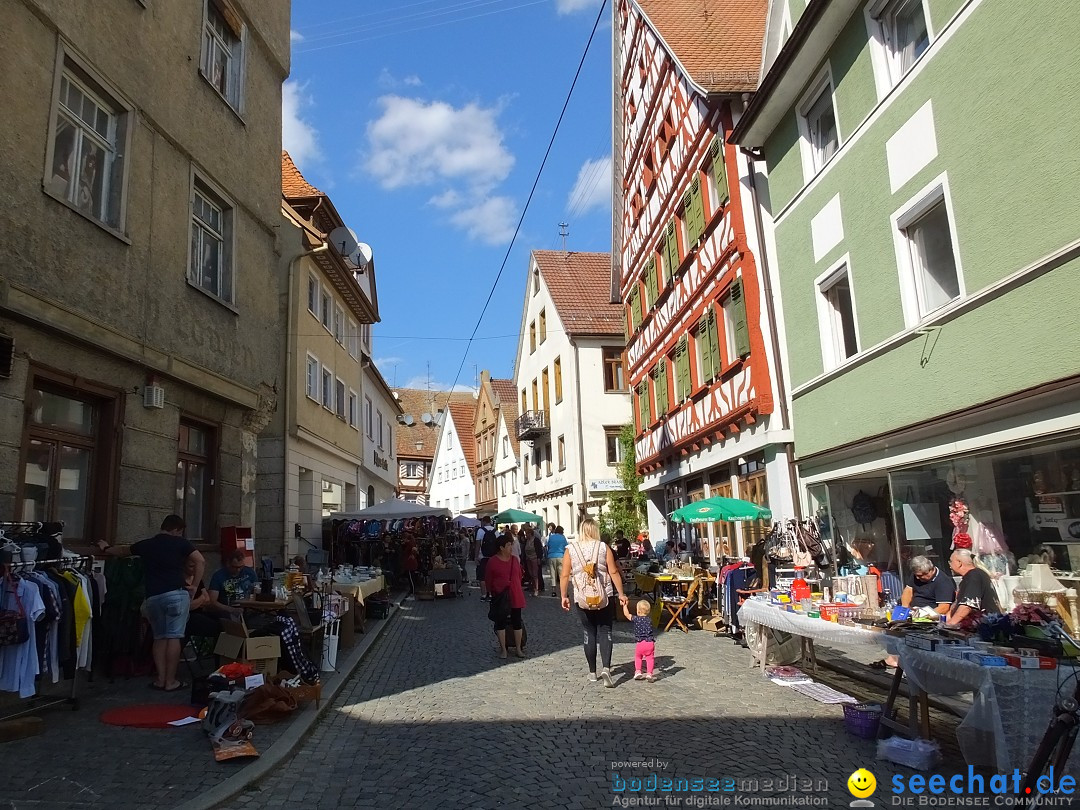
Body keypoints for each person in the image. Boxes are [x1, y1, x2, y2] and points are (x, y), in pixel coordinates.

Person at [96, 514, 204, 692]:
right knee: (174, 636)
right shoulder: (181, 543)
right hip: (176, 594)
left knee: (160, 637)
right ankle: (171, 681)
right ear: (176, 529)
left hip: (153, 598)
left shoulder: (146, 544)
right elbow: (200, 560)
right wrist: (194, 586)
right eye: (180, 532)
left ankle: (160, 679)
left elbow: (123, 551)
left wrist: (106, 547)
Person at [561, 518, 630, 687]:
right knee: (605, 630)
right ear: (595, 530)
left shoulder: (571, 549)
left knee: (588, 632)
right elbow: (613, 571)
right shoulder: (603, 547)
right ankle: (606, 667)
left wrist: (564, 596)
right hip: (604, 595)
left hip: (582, 597)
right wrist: (621, 593)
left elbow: (564, 574)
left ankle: (592, 672)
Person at [877, 556, 955, 669]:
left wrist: (922, 614)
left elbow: (944, 607)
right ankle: (894, 658)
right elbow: (908, 590)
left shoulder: (943, 582)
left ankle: (903, 659)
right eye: (917, 576)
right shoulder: (916, 576)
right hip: (914, 611)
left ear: (931, 569)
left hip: (931, 616)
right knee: (891, 624)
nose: (919, 578)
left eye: (922, 575)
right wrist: (905, 609)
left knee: (903, 629)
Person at [485, 534, 526, 659]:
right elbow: (488, 580)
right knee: (501, 623)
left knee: (517, 621)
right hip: (500, 596)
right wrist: (493, 592)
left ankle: (518, 648)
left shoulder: (514, 560)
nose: (511, 547)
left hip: (515, 594)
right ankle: (503, 649)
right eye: (508, 545)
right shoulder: (492, 561)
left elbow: (519, 576)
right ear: (501, 547)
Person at [947, 548, 1000, 626]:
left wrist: (950, 624)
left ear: (959, 563)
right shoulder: (971, 576)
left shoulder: (974, 576)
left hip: (986, 626)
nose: (949, 565)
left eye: (951, 561)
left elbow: (968, 605)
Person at [623, 598, 657, 682]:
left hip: (640, 643)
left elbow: (627, 615)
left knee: (638, 657)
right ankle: (649, 673)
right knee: (650, 658)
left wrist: (624, 605)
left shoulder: (636, 619)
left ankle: (638, 671)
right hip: (650, 643)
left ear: (638, 611)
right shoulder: (649, 620)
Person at [476, 516, 496, 601]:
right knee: (492, 576)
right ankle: (491, 594)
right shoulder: (496, 531)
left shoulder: (480, 531)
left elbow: (477, 544)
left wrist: (476, 556)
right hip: (493, 557)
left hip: (483, 557)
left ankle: (484, 595)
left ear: (484, 521)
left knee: (482, 577)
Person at [546, 525, 568, 598]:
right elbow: (566, 547)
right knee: (562, 575)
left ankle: (553, 591)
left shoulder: (551, 537)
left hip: (551, 556)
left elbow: (548, 546)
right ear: (562, 531)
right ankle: (564, 592)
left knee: (553, 574)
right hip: (561, 556)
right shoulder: (563, 537)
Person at [522, 524, 541, 597]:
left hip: (534, 558)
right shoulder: (526, 541)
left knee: (535, 574)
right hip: (528, 558)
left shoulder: (535, 540)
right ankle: (533, 587)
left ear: (530, 534)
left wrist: (539, 558)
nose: (526, 535)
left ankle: (536, 589)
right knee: (531, 574)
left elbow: (539, 549)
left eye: (527, 534)